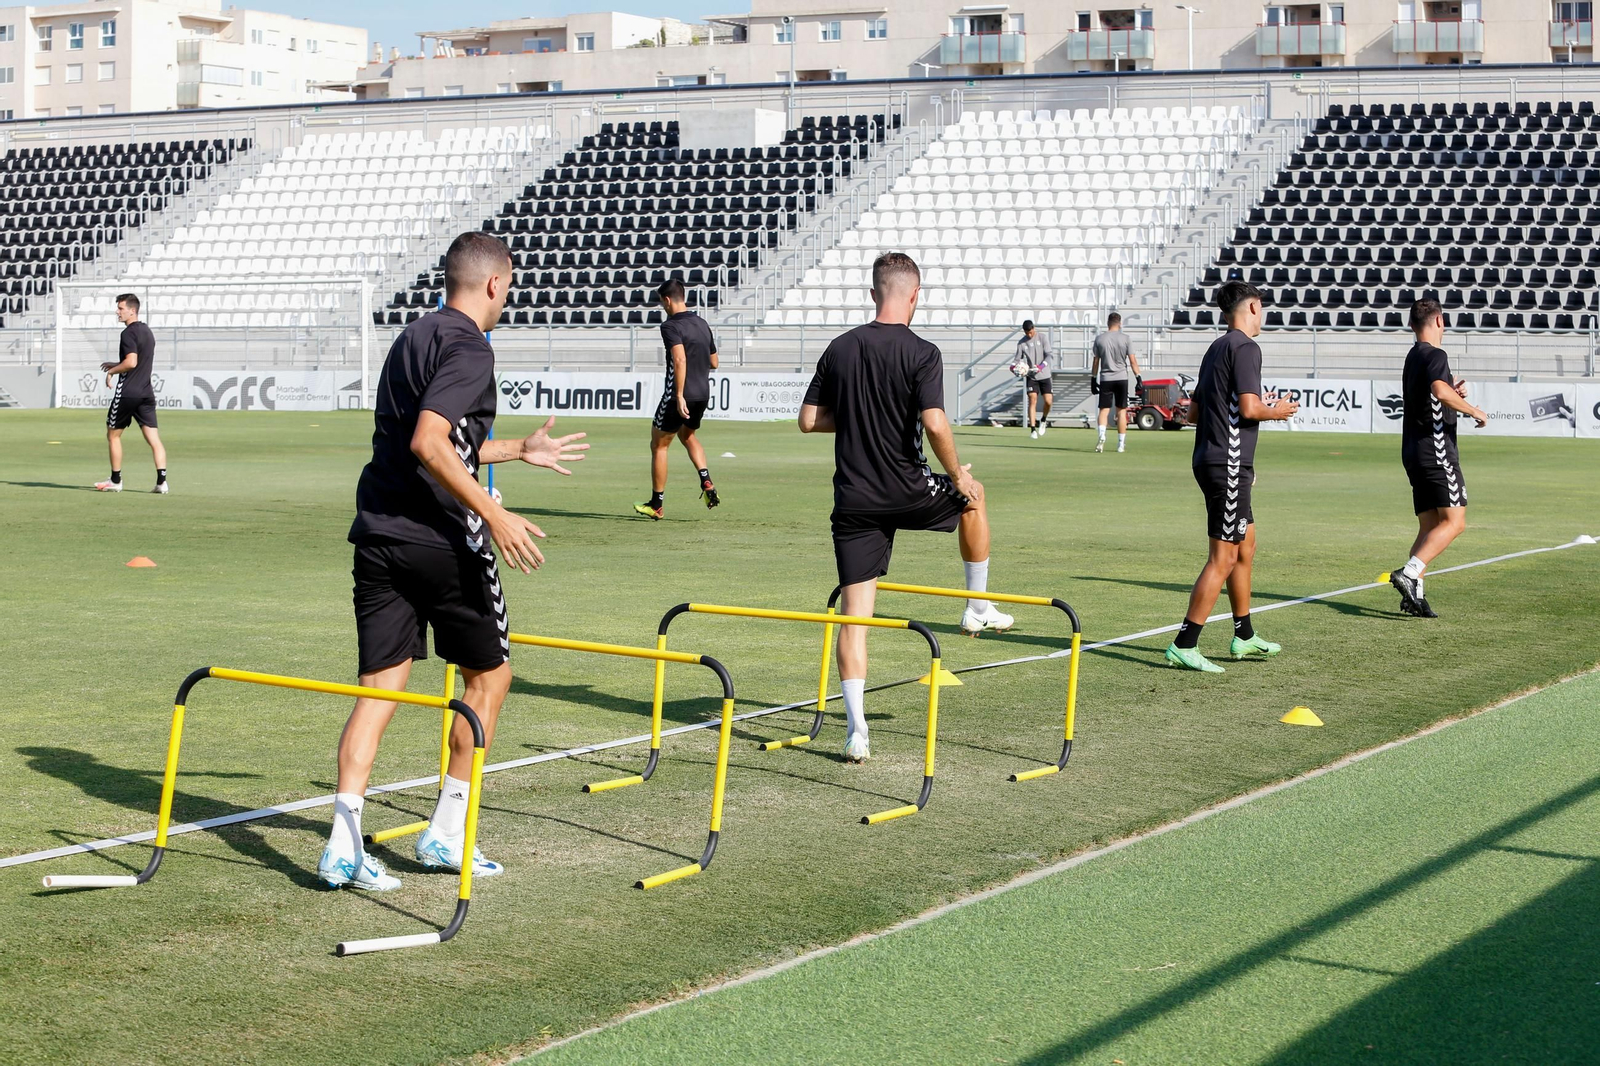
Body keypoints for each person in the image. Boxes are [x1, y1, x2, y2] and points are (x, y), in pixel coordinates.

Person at [322, 231, 588, 891]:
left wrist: (517, 449)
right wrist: (493, 513)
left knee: (380, 688)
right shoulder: (471, 346)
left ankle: (342, 848)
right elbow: (428, 440)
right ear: (496, 284)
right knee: (490, 679)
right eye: (510, 290)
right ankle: (444, 834)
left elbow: (441, 445)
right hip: (441, 541)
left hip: (379, 536)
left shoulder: (413, 336)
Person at [799, 251, 1013, 763]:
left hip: (854, 501)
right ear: (914, 297)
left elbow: (809, 420)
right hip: (908, 490)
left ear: (874, 294)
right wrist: (958, 472)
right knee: (974, 498)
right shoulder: (923, 352)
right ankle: (976, 606)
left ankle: (856, 733)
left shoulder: (840, 347)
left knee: (854, 620)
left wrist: (854, 417)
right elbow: (936, 423)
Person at [1165, 281, 1298, 673]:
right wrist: (1279, 409)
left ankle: (1244, 634)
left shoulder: (1216, 348)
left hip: (1218, 460)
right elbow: (1250, 408)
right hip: (1227, 464)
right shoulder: (1246, 347)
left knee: (1246, 545)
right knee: (1223, 557)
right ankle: (1184, 644)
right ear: (1253, 307)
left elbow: (1193, 413)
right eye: (1263, 307)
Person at [1389, 298, 1487, 618]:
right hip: (1436, 451)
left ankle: (1414, 595)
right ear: (1440, 321)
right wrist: (1472, 410)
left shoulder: (1413, 356)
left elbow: (1435, 395)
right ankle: (1410, 572)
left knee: (1429, 526)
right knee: (1455, 522)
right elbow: (1439, 391)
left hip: (1414, 452)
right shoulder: (1436, 354)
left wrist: (1450, 394)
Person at [634, 278, 720, 520]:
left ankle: (656, 504)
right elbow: (714, 362)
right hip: (702, 393)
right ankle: (706, 481)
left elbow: (679, 359)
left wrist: (679, 394)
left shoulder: (670, 326)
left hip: (678, 395)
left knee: (659, 445)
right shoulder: (702, 323)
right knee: (688, 435)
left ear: (667, 300)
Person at [94, 293, 169, 494]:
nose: (117, 312)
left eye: (120, 308)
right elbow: (136, 361)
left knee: (113, 435)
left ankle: (116, 480)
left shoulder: (127, 333)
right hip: (146, 393)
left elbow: (131, 362)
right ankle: (162, 482)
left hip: (128, 393)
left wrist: (111, 371)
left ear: (132, 310)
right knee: (154, 439)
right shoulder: (147, 331)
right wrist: (117, 364)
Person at [1089, 312, 1142, 454]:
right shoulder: (1126, 339)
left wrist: (1093, 379)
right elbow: (1132, 361)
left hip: (1106, 378)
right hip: (1121, 378)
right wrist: (1138, 378)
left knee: (1104, 410)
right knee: (1121, 411)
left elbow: (1096, 361)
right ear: (1119, 323)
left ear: (1108, 323)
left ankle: (1102, 436)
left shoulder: (1100, 339)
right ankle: (1120, 444)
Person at [1009, 319, 1053, 439]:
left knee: (1048, 401)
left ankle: (1043, 419)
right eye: (1026, 332)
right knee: (1032, 399)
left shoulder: (1043, 338)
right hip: (1031, 376)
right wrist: (1013, 368)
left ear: (1034, 328)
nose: (1029, 334)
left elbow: (1049, 355)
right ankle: (1033, 429)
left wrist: (1041, 366)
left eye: (1030, 332)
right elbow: (1016, 360)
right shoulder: (1021, 343)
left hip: (1044, 374)